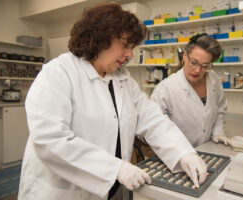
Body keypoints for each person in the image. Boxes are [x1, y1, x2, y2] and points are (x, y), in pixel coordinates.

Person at [18, 3, 208, 200]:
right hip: (61, 192)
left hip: (112, 190)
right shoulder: (59, 73)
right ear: (100, 38)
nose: (129, 54)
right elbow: (50, 140)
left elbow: (153, 120)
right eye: (125, 45)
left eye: (132, 47)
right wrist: (116, 168)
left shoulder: (123, 79)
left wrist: (183, 153)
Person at [151, 33, 230, 148]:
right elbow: (154, 128)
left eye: (205, 66)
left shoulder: (213, 79)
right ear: (184, 56)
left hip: (207, 149)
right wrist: (179, 152)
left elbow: (221, 109)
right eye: (194, 62)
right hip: (177, 154)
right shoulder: (165, 89)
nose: (197, 70)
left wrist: (218, 132)